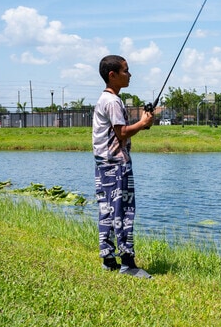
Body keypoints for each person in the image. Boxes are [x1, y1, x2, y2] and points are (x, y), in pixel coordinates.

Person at [92, 55, 154, 278]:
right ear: (113, 75)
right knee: (124, 212)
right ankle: (128, 264)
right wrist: (142, 123)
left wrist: (141, 125)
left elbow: (120, 132)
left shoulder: (104, 99)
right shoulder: (113, 101)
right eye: (126, 71)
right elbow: (122, 132)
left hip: (103, 164)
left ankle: (108, 259)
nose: (129, 75)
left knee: (107, 210)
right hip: (117, 165)